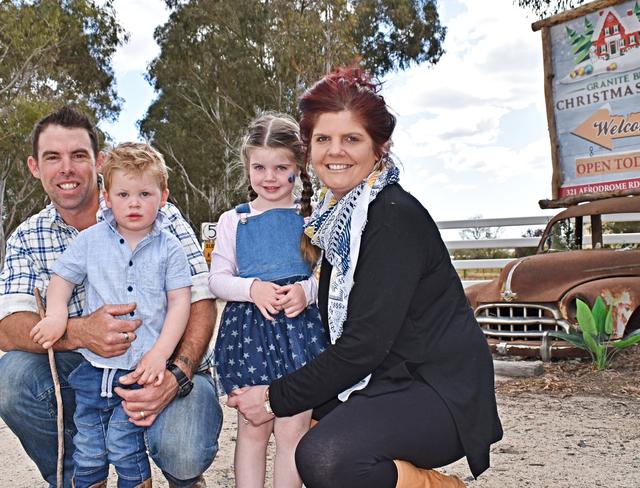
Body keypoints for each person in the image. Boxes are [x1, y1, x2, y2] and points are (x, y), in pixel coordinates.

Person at [228, 68, 503, 488]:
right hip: (386, 377)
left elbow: (363, 346)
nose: (335, 152)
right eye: (323, 139)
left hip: (436, 388)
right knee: (307, 424)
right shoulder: (337, 219)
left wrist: (271, 397)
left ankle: (439, 486)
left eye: (351, 139)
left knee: (325, 457)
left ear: (380, 146)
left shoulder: (392, 216)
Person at [0, 106, 222, 488]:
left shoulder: (157, 216)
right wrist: (81, 331)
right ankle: (81, 478)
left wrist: (175, 374)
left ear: (98, 163)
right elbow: (8, 327)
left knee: (183, 448)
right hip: (86, 367)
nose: (66, 168)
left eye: (79, 156)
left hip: (162, 359)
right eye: (53, 157)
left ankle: (181, 477)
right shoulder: (27, 236)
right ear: (35, 167)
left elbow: (198, 302)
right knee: (13, 378)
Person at [31, 143, 193, 487]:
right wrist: (58, 316)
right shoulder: (90, 241)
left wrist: (160, 354)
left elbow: (181, 304)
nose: (134, 203)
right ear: (107, 197)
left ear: (163, 196)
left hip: (140, 372)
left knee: (123, 440)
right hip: (95, 370)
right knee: (88, 444)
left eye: (145, 193)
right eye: (123, 193)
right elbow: (62, 279)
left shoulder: (170, 248)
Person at [208, 112, 327, 487]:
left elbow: (327, 275)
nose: (269, 177)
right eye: (259, 167)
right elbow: (217, 280)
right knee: (253, 428)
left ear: (299, 168)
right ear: (247, 168)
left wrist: (307, 294)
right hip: (249, 337)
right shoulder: (234, 220)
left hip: (300, 337)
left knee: (293, 430)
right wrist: (251, 288)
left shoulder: (313, 216)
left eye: (281, 167)